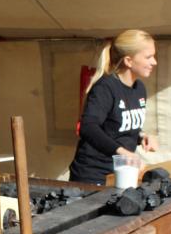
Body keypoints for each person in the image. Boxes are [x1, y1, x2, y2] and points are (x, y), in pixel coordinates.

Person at [68, 29, 159, 184]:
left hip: (120, 173)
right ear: (129, 61)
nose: (154, 62)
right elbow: (88, 127)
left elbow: (117, 128)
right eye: (148, 57)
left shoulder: (139, 88)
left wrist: (142, 136)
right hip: (92, 175)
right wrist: (123, 152)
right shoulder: (105, 88)